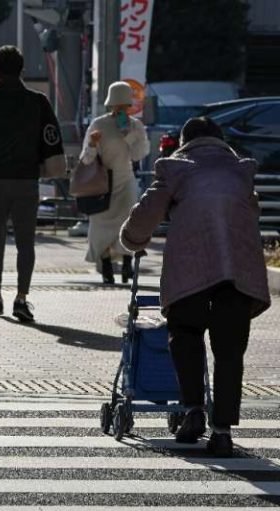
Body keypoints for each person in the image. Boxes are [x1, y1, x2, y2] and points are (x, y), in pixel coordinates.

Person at [120, 117, 271, 457]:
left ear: (185, 142)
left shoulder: (177, 169)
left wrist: (132, 240)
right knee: (230, 350)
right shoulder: (239, 171)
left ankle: (192, 411)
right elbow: (252, 213)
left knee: (185, 333)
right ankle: (222, 432)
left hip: (192, 268)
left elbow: (148, 211)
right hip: (238, 272)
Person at [0, 45, 66, 323]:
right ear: (22, 70)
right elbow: (51, 136)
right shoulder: (38, 102)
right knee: (25, 242)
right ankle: (21, 298)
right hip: (27, 180)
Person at [79, 81, 150, 284]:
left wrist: (128, 136)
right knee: (99, 226)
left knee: (127, 223)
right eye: (116, 105)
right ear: (111, 105)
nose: (120, 109)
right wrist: (92, 144)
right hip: (102, 184)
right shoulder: (98, 124)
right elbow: (86, 159)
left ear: (129, 106)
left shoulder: (136, 126)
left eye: (124, 105)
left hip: (125, 181)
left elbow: (139, 155)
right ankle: (106, 265)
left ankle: (127, 263)